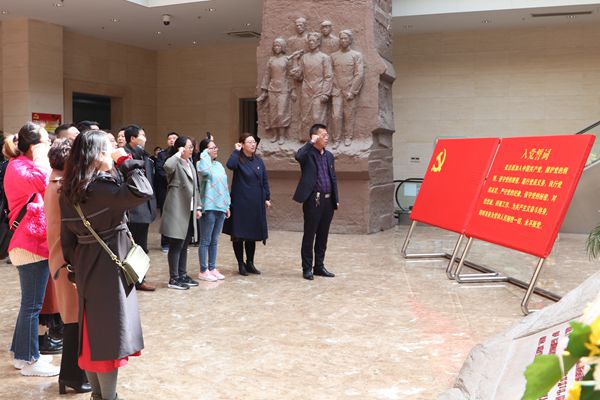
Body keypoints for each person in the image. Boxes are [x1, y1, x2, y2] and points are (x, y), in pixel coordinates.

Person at [60, 130, 152, 400]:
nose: (111, 152)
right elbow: (143, 190)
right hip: (109, 268)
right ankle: (108, 397)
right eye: (106, 148)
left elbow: (67, 239)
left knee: (91, 333)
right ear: (95, 155)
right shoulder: (102, 189)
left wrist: (74, 271)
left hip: (86, 266)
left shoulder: (68, 190)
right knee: (109, 335)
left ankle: (99, 396)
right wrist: (125, 160)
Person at [5, 122, 59, 376]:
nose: (49, 145)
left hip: (32, 242)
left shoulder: (21, 164)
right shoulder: (19, 167)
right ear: (34, 145)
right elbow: (43, 181)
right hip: (29, 243)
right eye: (45, 140)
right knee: (32, 306)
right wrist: (40, 156)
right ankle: (29, 360)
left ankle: (20, 354)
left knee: (30, 304)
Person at [44, 138, 91, 394]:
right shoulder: (61, 185)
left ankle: (71, 376)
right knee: (73, 321)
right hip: (66, 259)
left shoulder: (54, 182)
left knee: (72, 319)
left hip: (60, 257)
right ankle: (72, 377)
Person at [293, 124, 338, 280]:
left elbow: (333, 178)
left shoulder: (329, 156)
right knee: (310, 235)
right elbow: (298, 156)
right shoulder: (307, 154)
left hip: (328, 200)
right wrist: (310, 142)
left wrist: (336, 199)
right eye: (323, 135)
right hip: (313, 200)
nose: (326, 138)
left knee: (323, 235)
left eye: (327, 135)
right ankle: (307, 268)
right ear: (315, 136)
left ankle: (319, 266)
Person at [223, 133, 271, 276]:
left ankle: (250, 263)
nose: (253, 144)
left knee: (251, 234)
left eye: (254, 142)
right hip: (240, 202)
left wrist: (267, 197)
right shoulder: (238, 159)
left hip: (255, 202)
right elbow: (230, 165)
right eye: (249, 142)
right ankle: (240, 264)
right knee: (239, 234)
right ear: (242, 144)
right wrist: (236, 151)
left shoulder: (258, 160)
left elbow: (264, 180)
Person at [160, 136, 201, 290]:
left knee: (185, 244)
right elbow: (167, 167)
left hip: (189, 208)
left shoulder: (190, 163)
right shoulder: (175, 162)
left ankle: (182, 274)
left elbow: (196, 187)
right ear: (181, 148)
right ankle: (174, 278)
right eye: (188, 147)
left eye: (191, 147)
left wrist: (198, 207)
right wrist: (177, 154)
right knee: (176, 244)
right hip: (177, 209)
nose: (191, 150)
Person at [123, 124, 157, 292]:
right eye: (142, 135)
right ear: (133, 139)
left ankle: (139, 279)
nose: (145, 138)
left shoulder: (144, 155)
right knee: (130, 246)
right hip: (132, 208)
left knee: (141, 246)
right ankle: (130, 280)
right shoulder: (124, 155)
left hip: (145, 207)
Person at [196, 134, 230, 282]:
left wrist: (227, 205)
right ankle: (203, 270)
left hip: (221, 207)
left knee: (214, 240)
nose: (216, 149)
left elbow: (225, 186)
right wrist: (205, 154)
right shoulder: (202, 164)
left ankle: (212, 268)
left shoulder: (219, 165)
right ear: (204, 151)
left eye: (216, 147)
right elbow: (206, 172)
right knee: (205, 240)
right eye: (212, 148)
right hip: (208, 207)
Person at [292, 32, 333, 137]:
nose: (311, 43)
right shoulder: (304, 57)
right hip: (306, 89)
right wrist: (295, 62)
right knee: (305, 116)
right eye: (309, 41)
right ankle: (306, 138)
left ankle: (320, 138)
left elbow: (328, 76)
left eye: (313, 41)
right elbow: (299, 77)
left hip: (319, 90)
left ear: (318, 42)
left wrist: (325, 93)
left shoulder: (324, 57)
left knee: (317, 117)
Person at [330, 29, 365, 148]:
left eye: (345, 38)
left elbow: (359, 74)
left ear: (350, 40)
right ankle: (336, 139)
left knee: (348, 115)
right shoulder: (333, 56)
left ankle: (348, 137)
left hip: (349, 90)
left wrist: (353, 91)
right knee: (336, 116)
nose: (343, 40)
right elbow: (330, 73)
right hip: (336, 90)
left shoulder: (356, 55)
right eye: (341, 38)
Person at [257, 37, 294, 145]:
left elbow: (291, 76)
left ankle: (282, 135)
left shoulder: (287, 59)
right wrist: (264, 91)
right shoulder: (271, 60)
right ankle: (275, 135)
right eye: (275, 46)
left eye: (278, 46)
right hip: (272, 88)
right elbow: (267, 75)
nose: (276, 48)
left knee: (281, 113)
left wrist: (293, 89)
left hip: (283, 89)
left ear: (282, 47)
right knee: (273, 112)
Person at [154, 132, 179, 253]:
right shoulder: (162, 154)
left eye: (174, 138)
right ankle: (165, 243)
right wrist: (173, 180)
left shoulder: (181, 154)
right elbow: (160, 171)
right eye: (169, 138)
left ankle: (177, 242)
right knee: (166, 216)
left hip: (179, 189)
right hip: (165, 189)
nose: (172, 140)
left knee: (178, 215)